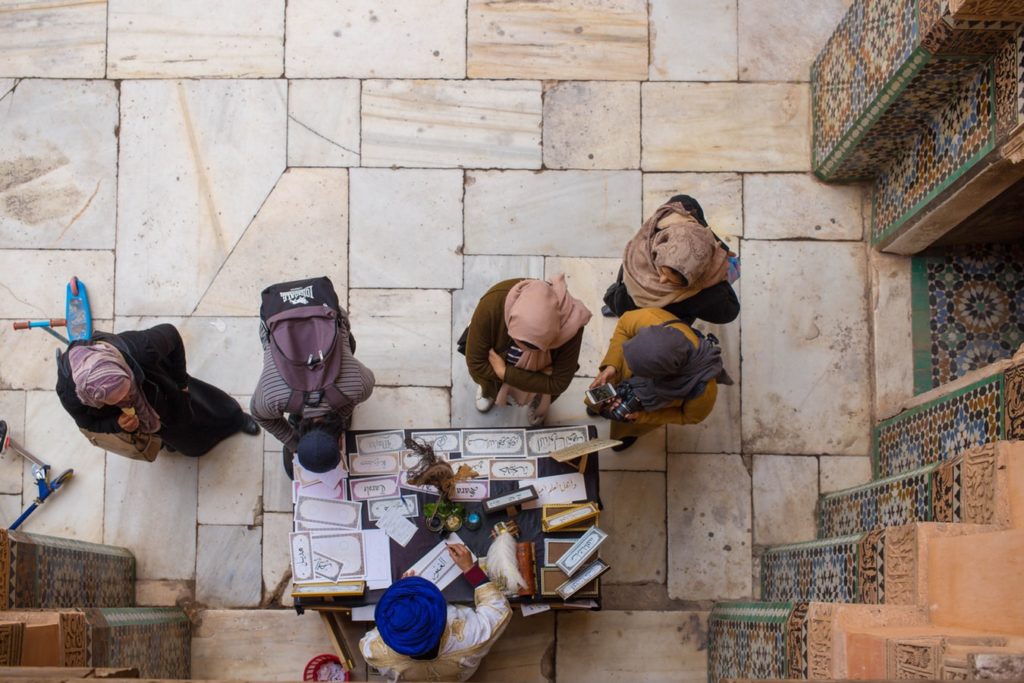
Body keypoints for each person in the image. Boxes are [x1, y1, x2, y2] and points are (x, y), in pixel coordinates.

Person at [56, 323, 260, 457]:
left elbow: (171, 333)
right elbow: (87, 422)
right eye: (116, 401)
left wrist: (181, 381)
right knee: (182, 439)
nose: (127, 399)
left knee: (204, 404)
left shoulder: (141, 348)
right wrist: (117, 422)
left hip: (164, 389)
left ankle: (235, 419)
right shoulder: (71, 395)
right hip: (151, 422)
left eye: (128, 390)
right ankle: (182, 443)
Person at [250, 302, 374, 479]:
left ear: (339, 441)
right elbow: (258, 415)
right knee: (346, 347)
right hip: (289, 315)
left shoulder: (359, 386)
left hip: (323, 310)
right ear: (340, 441)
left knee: (347, 344)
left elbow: (260, 416)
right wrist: (293, 442)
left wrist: (292, 443)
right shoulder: (270, 398)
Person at [360, 543, 511, 682]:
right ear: (442, 618)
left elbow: (370, 637)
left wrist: (401, 605)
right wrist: (471, 570)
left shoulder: (373, 652)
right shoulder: (473, 637)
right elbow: (499, 608)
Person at [588, 307, 731, 451]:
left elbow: (688, 417)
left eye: (637, 371)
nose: (631, 372)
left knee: (625, 428)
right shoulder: (655, 320)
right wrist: (612, 365)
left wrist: (641, 417)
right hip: (614, 379)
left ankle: (623, 436)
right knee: (598, 397)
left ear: (659, 376)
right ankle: (598, 408)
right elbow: (624, 325)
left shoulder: (703, 391)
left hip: (645, 411)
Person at [464, 274, 591, 426]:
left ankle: (537, 400)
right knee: (487, 382)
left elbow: (559, 384)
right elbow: (476, 364)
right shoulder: (492, 304)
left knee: (546, 392)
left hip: (498, 366)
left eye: (537, 347)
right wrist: (536, 379)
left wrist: (504, 372)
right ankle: (489, 391)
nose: (525, 350)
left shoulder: (571, 326)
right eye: (518, 342)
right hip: (516, 374)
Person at [603, 194, 739, 325]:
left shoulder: (665, 223)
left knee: (621, 301)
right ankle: (619, 310)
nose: (662, 280)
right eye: (665, 270)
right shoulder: (701, 297)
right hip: (644, 315)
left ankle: (614, 307)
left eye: (674, 274)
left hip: (623, 290)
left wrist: (714, 244)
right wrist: (716, 271)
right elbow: (730, 310)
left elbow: (684, 200)